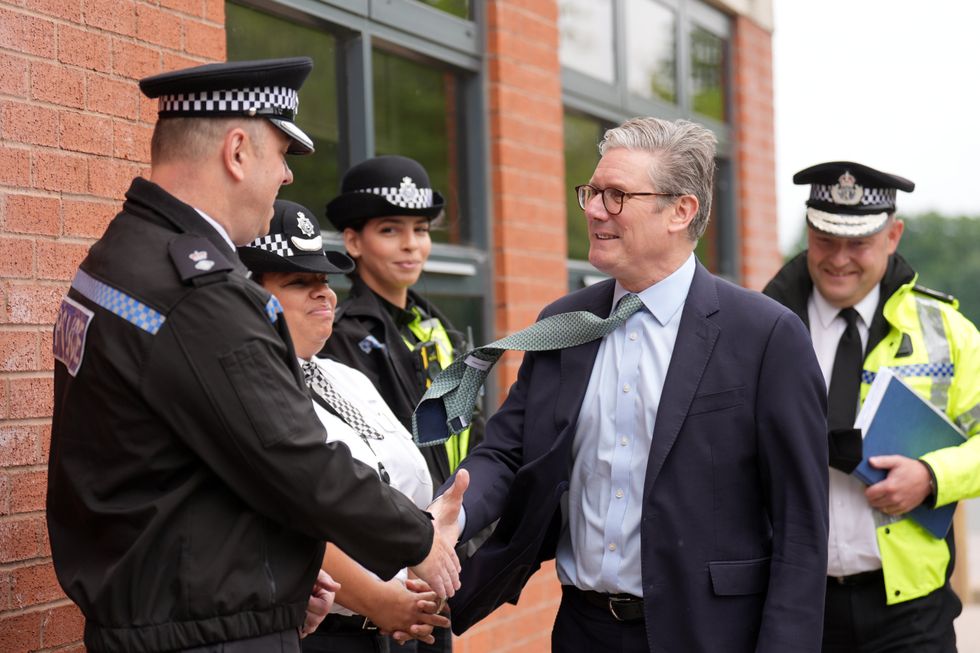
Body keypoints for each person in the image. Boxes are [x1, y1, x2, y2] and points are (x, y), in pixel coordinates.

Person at [47, 58, 462, 653]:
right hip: (202, 632)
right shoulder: (197, 293)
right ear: (238, 151)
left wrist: (290, 576)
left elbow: (194, 458)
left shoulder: (124, 252)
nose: (287, 177)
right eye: (283, 154)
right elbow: (293, 457)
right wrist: (420, 540)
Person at [422, 117, 830, 652]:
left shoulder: (766, 335)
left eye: (616, 196)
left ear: (681, 211)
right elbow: (507, 451)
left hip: (711, 635)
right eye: (591, 192)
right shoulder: (563, 324)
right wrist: (452, 514)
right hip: (583, 631)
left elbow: (801, 526)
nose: (594, 210)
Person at [762, 161, 980, 653]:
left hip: (911, 612)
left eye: (858, 243)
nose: (839, 259)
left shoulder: (947, 331)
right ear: (808, 231)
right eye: (825, 240)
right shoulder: (763, 328)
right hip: (796, 601)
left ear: (892, 236)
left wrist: (931, 477)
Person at [240, 199, 457, 652]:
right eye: (299, 282)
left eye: (324, 280)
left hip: (409, 622)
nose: (324, 294)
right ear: (250, 297)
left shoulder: (347, 376)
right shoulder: (247, 388)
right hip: (331, 635)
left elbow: (403, 484)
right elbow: (297, 519)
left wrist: (434, 545)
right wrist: (380, 600)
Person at [320, 155, 483, 653]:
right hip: (383, 574)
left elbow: (471, 438)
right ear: (353, 242)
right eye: (390, 230)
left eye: (421, 229)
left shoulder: (439, 331)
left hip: (441, 559)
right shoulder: (337, 339)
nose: (411, 244)